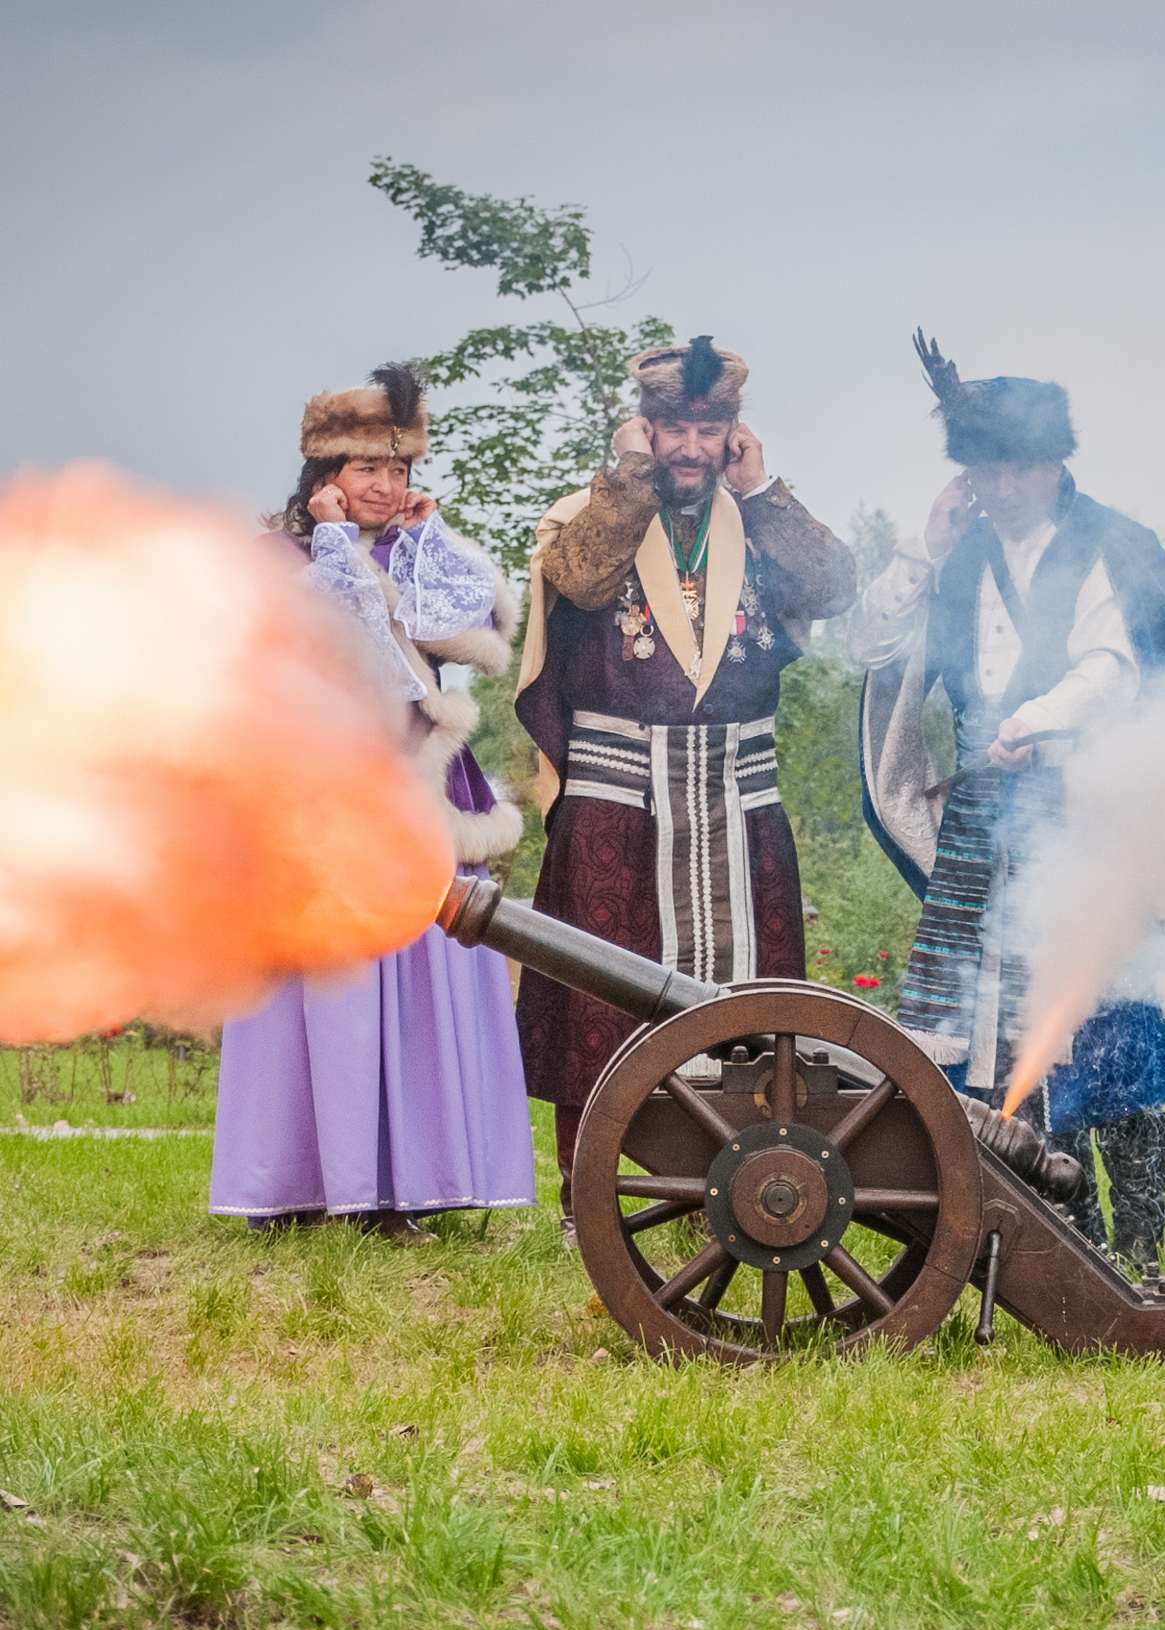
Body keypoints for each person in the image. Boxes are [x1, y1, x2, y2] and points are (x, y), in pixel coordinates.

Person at [855, 334, 1165, 1267]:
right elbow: (873, 650)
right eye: (982, 468)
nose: (999, 487)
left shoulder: (1114, 547)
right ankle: (1038, 1235)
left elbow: (1117, 665)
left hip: (1092, 814)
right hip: (980, 824)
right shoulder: (952, 557)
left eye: (1015, 467)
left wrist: (1040, 719)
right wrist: (919, 551)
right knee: (979, 1039)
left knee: (1116, 1037)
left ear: (1055, 462)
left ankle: (1135, 1245)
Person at [514, 338, 859, 1204]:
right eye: (673, 429)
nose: (691, 449)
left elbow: (837, 585)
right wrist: (628, 476)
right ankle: (585, 1195)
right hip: (614, 794)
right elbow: (585, 580)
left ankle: (753, 1185)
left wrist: (764, 490)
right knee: (598, 998)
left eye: (710, 429)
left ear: (735, 432)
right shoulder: (585, 512)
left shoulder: (762, 521)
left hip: (740, 796)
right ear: (646, 429)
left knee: (756, 1001)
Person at [210, 363, 536, 1229]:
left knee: (419, 976)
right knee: (326, 982)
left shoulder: (418, 551)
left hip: (417, 788)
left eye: (399, 471)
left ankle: (405, 1185)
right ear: (324, 478)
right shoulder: (274, 559)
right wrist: (329, 547)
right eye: (367, 471)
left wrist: (430, 540)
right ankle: (299, 1184)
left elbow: (491, 628)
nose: (389, 488)